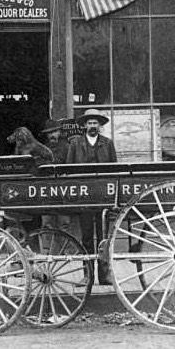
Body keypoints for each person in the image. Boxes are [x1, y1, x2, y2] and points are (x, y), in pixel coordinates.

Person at [65, 109, 117, 285]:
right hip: (84, 196)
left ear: (99, 125)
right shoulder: (75, 144)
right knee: (86, 235)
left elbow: (114, 170)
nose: (93, 126)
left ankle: (104, 275)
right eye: (90, 123)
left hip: (103, 195)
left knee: (104, 236)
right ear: (85, 125)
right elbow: (69, 170)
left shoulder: (107, 144)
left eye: (95, 123)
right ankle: (87, 275)